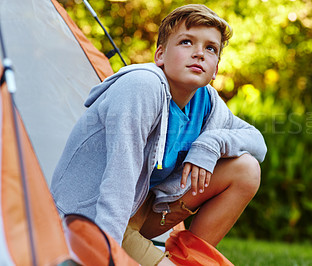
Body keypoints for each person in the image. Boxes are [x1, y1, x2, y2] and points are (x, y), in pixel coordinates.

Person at [51, 4, 267, 266]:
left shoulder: (206, 102)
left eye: (211, 48)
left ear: (216, 69)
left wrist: (210, 145)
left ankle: (188, 260)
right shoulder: (142, 87)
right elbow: (118, 181)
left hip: (145, 211)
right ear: (160, 55)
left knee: (246, 169)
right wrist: (103, 253)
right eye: (187, 42)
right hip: (93, 218)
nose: (199, 53)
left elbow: (257, 143)